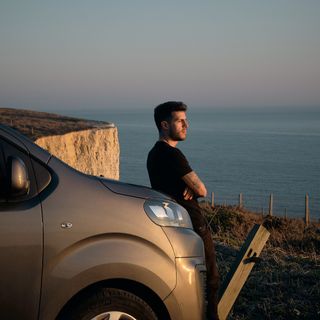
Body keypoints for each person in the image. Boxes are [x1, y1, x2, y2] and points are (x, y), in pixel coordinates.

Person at [147, 101, 220, 320]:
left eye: (186, 120)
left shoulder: (153, 154)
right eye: (180, 121)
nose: (186, 125)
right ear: (164, 125)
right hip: (193, 223)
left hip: (174, 223)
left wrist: (188, 185)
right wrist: (192, 187)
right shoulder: (172, 155)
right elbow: (202, 189)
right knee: (211, 279)